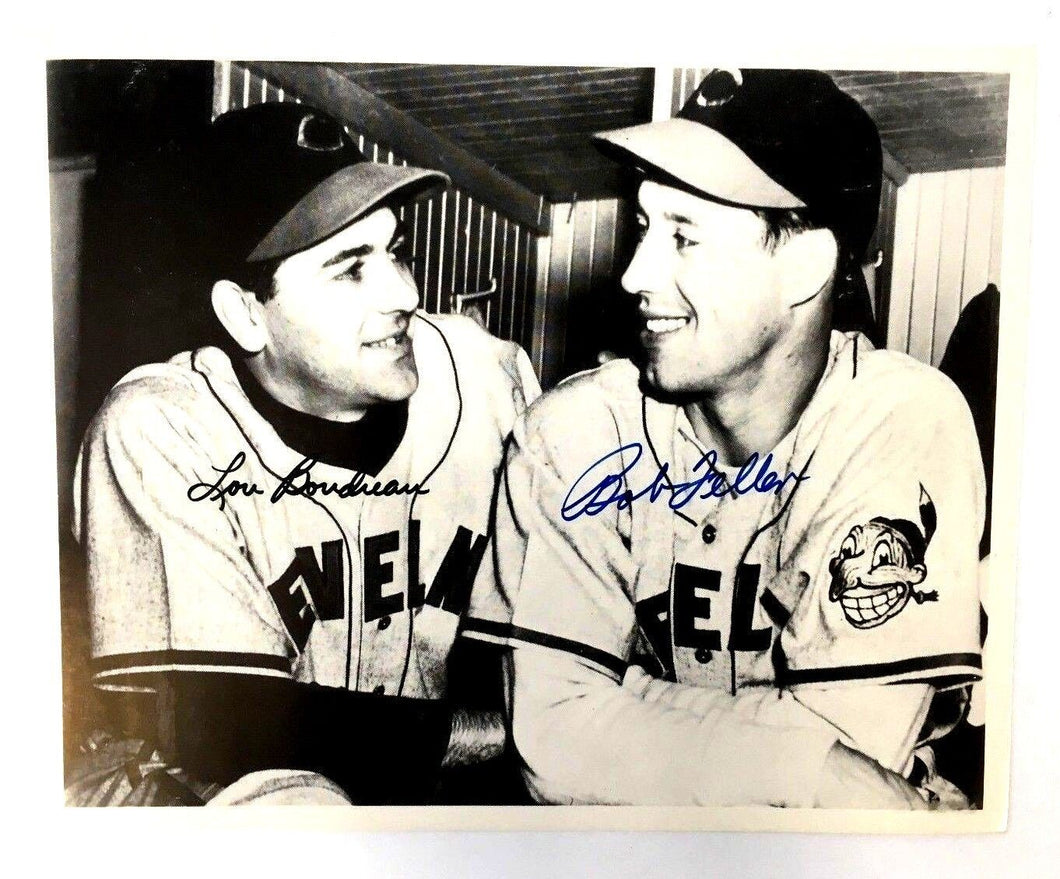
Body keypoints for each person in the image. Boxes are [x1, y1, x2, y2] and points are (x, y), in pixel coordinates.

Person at [464, 69, 984, 807]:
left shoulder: (901, 418)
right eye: (645, 227)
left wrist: (627, 700)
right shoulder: (572, 432)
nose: (634, 273)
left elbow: (859, 751)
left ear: (805, 266)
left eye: (685, 236)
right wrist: (806, 765)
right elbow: (554, 742)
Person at [67, 102, 539, 805]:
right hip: (201, 794)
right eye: (350, 268)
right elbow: (225, 727)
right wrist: (528, 736)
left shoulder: (481, 373)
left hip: (418, 784)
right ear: (245, 315)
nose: (406, 293)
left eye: (398, 251)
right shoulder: (157, 427)